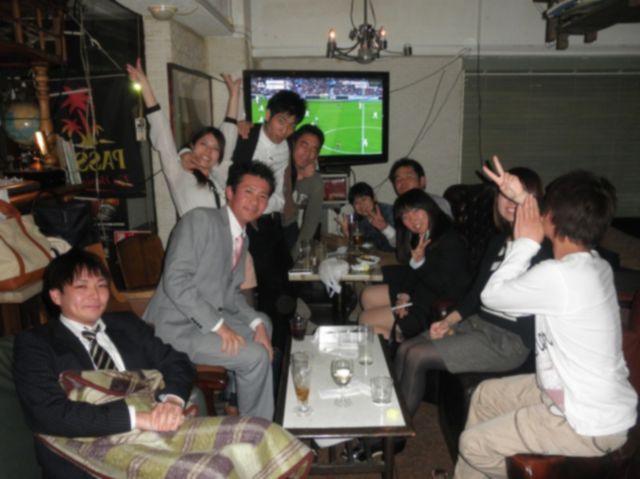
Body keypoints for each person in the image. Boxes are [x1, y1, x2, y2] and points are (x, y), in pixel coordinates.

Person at [454, 157, 638, 479]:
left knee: (473, 445)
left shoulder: (558, 276)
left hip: (587, 422)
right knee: (484, 395)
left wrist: (524, 244)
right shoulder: (595, 264)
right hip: (575, 393)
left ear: (550, 218)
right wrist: (522, 197)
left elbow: (491, 296)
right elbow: (556, 219)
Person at [13, 249, 196, 478]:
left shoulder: (128, 325)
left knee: (242, 440)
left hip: (158, 437)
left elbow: (178, 362)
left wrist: (172, 401)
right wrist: (137, 418)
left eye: (101, 285)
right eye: (82, 287)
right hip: (85, 456)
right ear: (56, 296)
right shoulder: (36, 344)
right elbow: (48, 413)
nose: (95, 295)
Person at [394, 167, 548, 418]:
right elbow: (476, 294)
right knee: (405, 348)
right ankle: (390, 418)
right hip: (476, 323)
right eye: (504, 195)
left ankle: (394, 431)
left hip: (507, 341)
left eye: (517, 195)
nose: (510, 201)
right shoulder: (498, 242)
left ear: (533, 199)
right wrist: (448, 321)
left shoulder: (543, 243)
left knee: (417, 355)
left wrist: (528, 208)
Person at [144, 161, 276, 420]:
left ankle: (234, 401)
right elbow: (176, 280)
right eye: (248, 192)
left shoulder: (242, 237)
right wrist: (220, 327)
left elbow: (232, 295)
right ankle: (256, 428)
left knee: (264, 325)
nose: (255, 201)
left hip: (206, 320)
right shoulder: (200, 220)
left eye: (263, 196)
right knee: (257, 356)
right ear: (230, 192)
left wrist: (257, 323)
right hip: (175, 329)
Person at [126, 59, 257, 291]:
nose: (208, 151)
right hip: (196, 252)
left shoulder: (219, 175)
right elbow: (161, 128)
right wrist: (144, 83)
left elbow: (228, 132)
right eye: (203, 144)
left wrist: (234, 94)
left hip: (228, 251)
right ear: (192, 145)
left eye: (214, 148)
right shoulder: (178, 171)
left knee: (237, 299)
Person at [230, 90, 307, 351]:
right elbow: (209, 147)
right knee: (269, 288)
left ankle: (279, 344)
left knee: (286, 285)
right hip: (249, 223)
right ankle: (268, 346)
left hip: (273, 223)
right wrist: (186, 152)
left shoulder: (288, 144)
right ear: (267, 115)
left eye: (291, 125)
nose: (285, 130)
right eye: (281, 121)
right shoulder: (246, 136)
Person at [359, 189, 470, 340]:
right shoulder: (424, 234)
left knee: (366, 320)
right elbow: (413, 271)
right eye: (405, 216)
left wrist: (420, 264)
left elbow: (446, 287)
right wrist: (404, 295)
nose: (411, 219)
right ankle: (394, 336)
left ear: (429, 207)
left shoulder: (450, 239)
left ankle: (401, 345)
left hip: (433, 305)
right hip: (420, 291)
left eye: (416, 210)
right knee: (367, 296)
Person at [282, 124, 325, 259]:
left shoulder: (316, 182)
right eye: (304, 145)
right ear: (293, 144)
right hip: (267, 225)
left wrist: (296, 256)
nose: (307, 153)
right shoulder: (279, 166)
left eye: (314, 149)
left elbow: (310, 224)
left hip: (289, 228)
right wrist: (296, 178)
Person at [338, 181, 395, 252]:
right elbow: (358, 247)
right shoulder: (356, 220)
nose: (361, 205)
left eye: (364, 199)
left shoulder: (389, 211)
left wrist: (384, 227)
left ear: (374, 198)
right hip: (372, 256)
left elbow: (400, 242)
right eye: (356, 202)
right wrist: (347, 233)